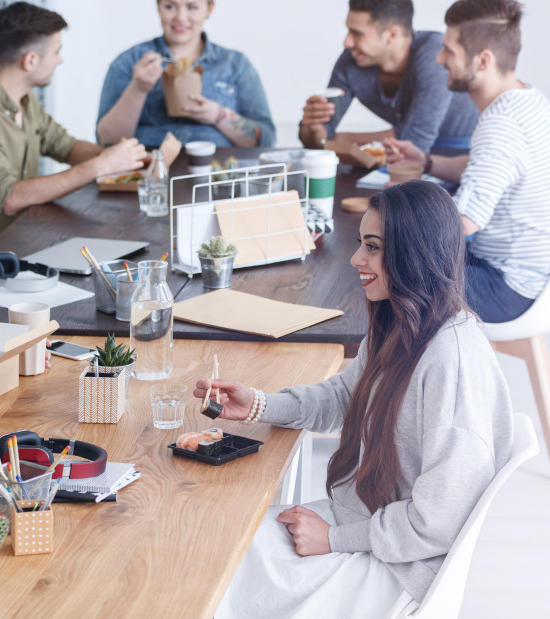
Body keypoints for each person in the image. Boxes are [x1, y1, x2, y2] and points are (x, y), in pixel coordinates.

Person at [193, 181, 513, 618]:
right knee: (218, 537)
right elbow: (345, 397)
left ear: (414, 254)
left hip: (397, 568)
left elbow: (439, 520)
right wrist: (258, 405)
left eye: (373, 247)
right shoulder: (404, 325)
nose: (356, 259)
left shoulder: (450, 362)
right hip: (367, 527)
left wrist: (334, 539)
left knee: (216, 562)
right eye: (362, 243)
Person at [386, 0, 550, 323]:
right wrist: (426, 162)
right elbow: (480, 169)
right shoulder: (527, 99)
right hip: (531, 275)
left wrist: (399, 207)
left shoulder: (501, 127)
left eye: (450, 51)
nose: (438, 59)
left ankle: (386, 371)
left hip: (506, 287)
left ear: (483, 60)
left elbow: (460, 223)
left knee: (386, 268)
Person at [0, 1, 148, 265]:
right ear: (31, 60)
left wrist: (130, 157)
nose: (60, 59)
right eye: (56, 52)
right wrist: (101, 165)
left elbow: (65, 146)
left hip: (21, 239)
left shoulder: (24, 100)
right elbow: (9, 197)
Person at [97, 0, 275, 149]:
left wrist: (219, 115)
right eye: (170, 6)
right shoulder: (129, 63)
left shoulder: (236, 65)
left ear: (209, 8)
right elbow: (107, 140)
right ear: (158, 6)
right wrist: (138, 89)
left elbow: (266, 140)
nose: (181, 17)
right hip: (147, 171)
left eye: (192, 7)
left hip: (217, 173)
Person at [299, 0, 479, 155]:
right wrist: (312, 127)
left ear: (392, 35)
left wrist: (337, 140)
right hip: (403, 157)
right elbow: (318, 142)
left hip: (466, 152)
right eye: (348, 30)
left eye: (357, 33)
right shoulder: (352, 60)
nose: (346, 42)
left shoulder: (434, 54)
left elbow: (415, 141)